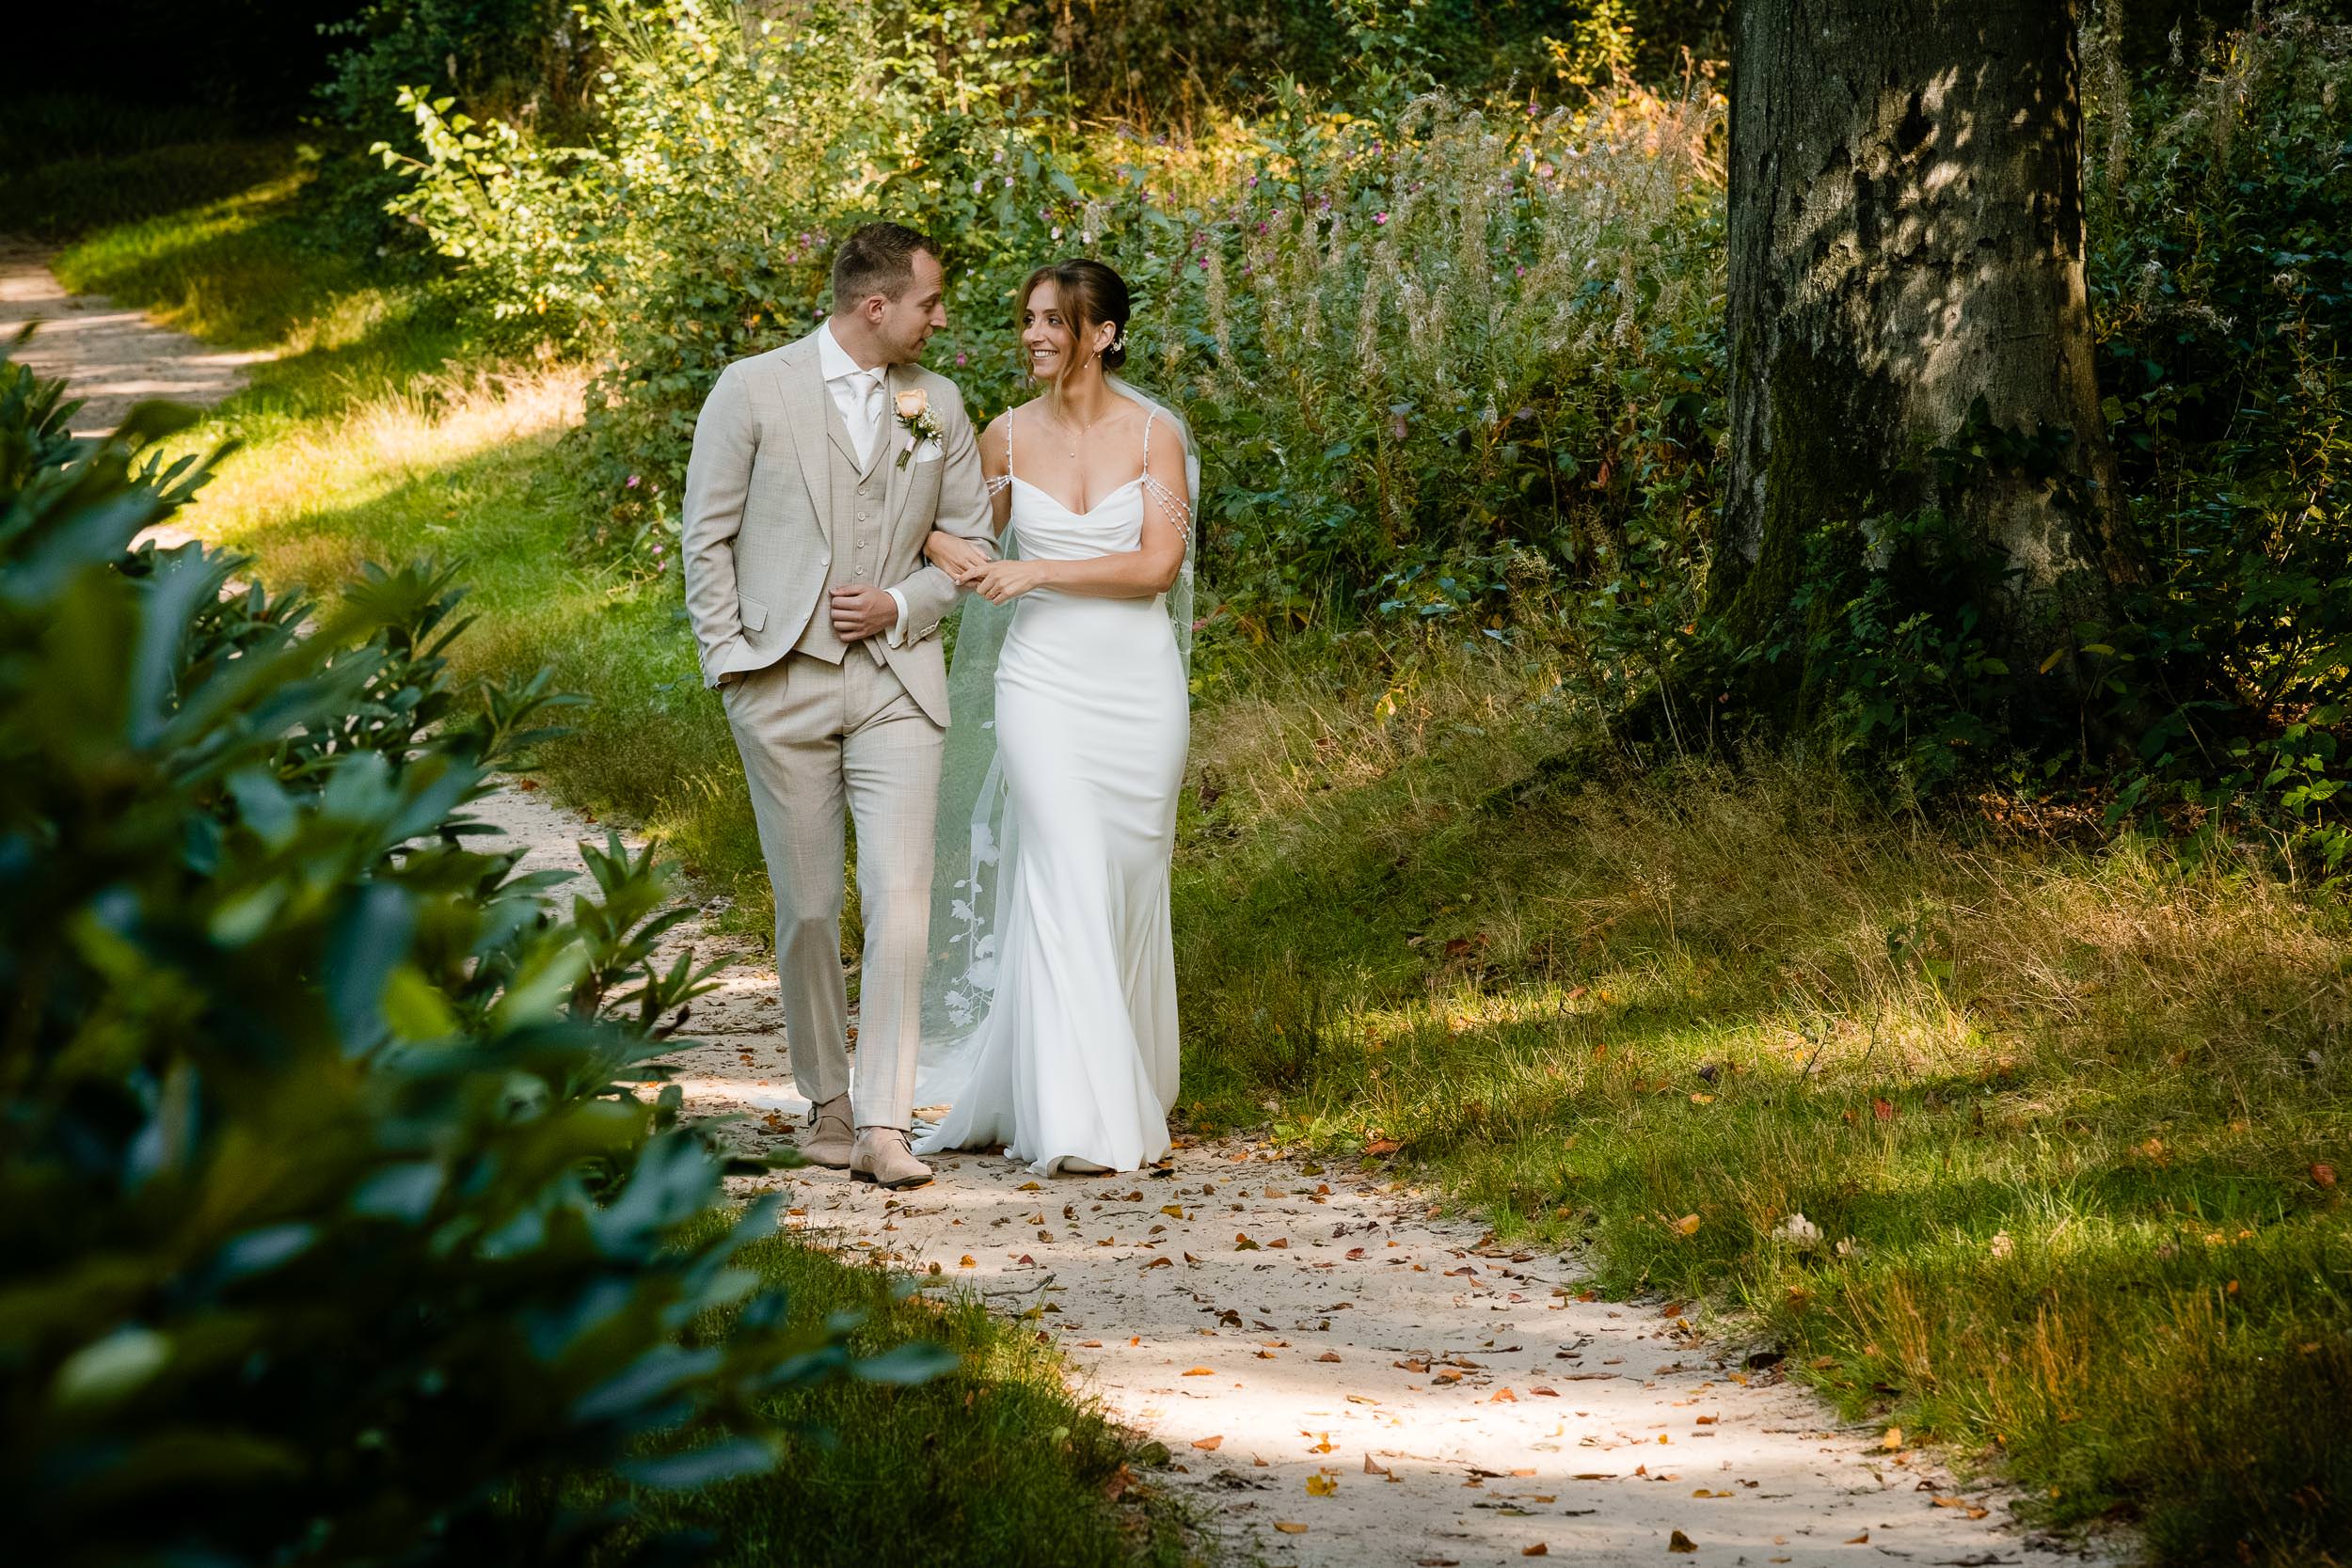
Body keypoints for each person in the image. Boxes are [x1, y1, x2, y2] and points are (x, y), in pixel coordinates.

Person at [679, 222, 997, 1191]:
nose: (940, 318)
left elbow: (972, 539)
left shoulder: (935, 403)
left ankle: (884, 1123)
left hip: (898, 683)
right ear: (876, 307)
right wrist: (734, 664)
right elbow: (707, 536)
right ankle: (823, 1102)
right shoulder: (751, 387)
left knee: (901, 903)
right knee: (811, 906)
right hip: (780, 682)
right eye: (929, 303)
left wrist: (904, 601)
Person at [909, 258, 1195, 1177]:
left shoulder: (1157, 436)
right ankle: (1079, 1114)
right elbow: (956, 533)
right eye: (1027, 319)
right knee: (1063, 867)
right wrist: (941, 541)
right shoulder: (1000, 438)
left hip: (1137, 685)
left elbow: (1155, 568)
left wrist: (1037, 572)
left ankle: (1125, 1079)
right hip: (1040, 683)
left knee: (1126, 877)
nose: (1032, 334)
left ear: (1101, 334)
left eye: (1051, 320)